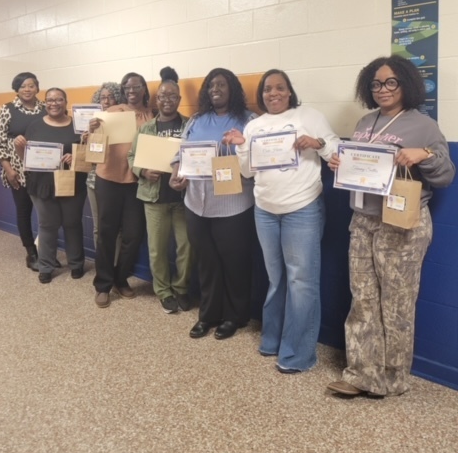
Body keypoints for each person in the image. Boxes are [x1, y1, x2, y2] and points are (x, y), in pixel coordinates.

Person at [326, 55, 455, 397]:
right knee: (363, 300)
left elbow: (445, 176)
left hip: (402, 224)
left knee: (397, 303)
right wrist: (341, 163)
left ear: (406, 84)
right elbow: (360, 169)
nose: (382, 89)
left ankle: (394, 378)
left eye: (391, 82)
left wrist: (424, 155)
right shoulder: (366, 121)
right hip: (364, 220)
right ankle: (361, 374)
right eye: (376, 83)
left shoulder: (423, 125)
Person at [224, 69, 340, 372]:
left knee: (301, 282)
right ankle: (273, 338)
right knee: (276, 279)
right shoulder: (254, 125)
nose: (272, 93)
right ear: (261, 94)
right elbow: (248, 172)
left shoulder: (309, 115)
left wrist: (317, 142)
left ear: (289, 92)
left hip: (302, 208)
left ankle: (298, 354)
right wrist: (240, 145)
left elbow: (336, 152)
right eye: (267, 89)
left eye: (279, 88)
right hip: (265, 209)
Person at [170, 68, 256, 340]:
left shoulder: (249, 120)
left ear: (232, 89)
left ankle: (234, 316)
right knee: (206, 262)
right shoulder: (196, 119)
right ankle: (208, 315)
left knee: (234, 262)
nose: (215, 89)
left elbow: (255, 158)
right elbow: (179, 153)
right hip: (197, 202)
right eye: (211, 86)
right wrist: (176, 172)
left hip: (233, 204)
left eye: (222, 84)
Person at [128, 67, 192, 314]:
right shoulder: (146, 129)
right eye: (162, 96)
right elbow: (132, 157)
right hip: (154, 197)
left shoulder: (190, 125)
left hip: (184, 198)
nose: (167, 100)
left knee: (186, 247)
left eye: (172, 96)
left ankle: (182, 288)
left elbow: (197, 156)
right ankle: (164, 291)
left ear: (179, 100)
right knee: (157, 248)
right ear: (157, 99)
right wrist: (142, 171)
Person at [91, 72, 153, 308]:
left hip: (136, 182)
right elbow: (94, 144)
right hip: (108, 178)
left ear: (144, 89)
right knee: (106, 233)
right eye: (127, 86)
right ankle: (103, 285)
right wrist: (93, 129)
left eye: (136, 86)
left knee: (133, 235)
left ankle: (120, 277)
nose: (132, 90)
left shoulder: (151, 115)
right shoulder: (111, 112)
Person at [15, 88, 88, 283]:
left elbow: (87, 155)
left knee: (72, 224)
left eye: (58, 100)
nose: (53, 103)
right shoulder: (34, 126)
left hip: (72, 182)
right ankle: (45, 266)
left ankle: (76, 264)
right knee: (47, 225)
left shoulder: (78, 126)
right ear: (45, 102)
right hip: (41, 184)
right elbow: (27, 160)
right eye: (49, 100)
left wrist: (75, 157)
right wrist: (19, 148)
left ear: (66, 102)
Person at [0, 72, 47, 271]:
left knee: (48, 212)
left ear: (37, 88)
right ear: (17, 89)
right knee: (24, 211)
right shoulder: (7, 109)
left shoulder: (45, 108)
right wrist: (8, 169)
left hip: (43, 169)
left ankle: (45, 250)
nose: (27, 89)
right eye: (22, 86)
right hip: (17, 169)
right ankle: (31, 253)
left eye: (31, 85)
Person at [85, 82, 123, 249]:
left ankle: (115, 266)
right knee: (98, 226)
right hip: (95, 179)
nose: (106, 101)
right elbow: (87, 155)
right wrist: (90, 133)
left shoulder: (125, 120)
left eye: (111, 97)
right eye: (103, 97)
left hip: (118, 178)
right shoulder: (91, 122)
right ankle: (103, 266)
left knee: (118, 227)